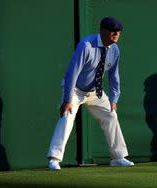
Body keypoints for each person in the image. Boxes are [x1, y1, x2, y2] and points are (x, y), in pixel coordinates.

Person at [47, 17, 134, 170]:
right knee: (67, 117)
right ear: (103, 31)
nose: (116, 34)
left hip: (95, 92)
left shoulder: (115, 50)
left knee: (111, 115)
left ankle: (118, 157)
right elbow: (72, 73)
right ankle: (54, 159)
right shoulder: (86, 45)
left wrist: (114, 99)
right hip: (75, 89)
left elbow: (114, 77)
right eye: (113, 31)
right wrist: (67, 99)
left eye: (118, 32)